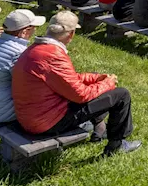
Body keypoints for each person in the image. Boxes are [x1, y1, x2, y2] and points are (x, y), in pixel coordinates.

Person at [12, 11, 141, 156]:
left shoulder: (36, 49)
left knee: (96, 90)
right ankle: (116, 145)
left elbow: (68, 80)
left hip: (31, 116)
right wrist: (108, 83)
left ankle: (99, 130)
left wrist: (96, 78)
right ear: (71, 34)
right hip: (47, 122)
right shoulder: (54, 55)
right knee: (121, 95)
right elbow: (81, 95)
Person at [0, 9, 45, 124]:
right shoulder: (18, 52)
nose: (35, 31)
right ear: (25, 31)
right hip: (0, 114)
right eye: (33, 28)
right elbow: (29, 85)